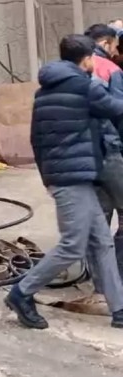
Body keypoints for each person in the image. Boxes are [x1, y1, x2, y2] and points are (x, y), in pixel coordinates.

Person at [4, 34, 123, 330]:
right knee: (73, 246)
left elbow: (35, 139)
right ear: (87, 59)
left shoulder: (44, 92)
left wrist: (48, 177)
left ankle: (120, 309)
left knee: (102, 242)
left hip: (66, 176)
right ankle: (21, 292)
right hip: (74, 178)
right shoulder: (83, 86)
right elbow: (116, 109)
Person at [84, 24, 123, 282]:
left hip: (85, 155)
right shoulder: (111, 69)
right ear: (105, 43)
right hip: (110, 150)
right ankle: (117, 274)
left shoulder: (71, 68)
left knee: (98, 217)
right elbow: (119, 114)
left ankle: (99, 280)